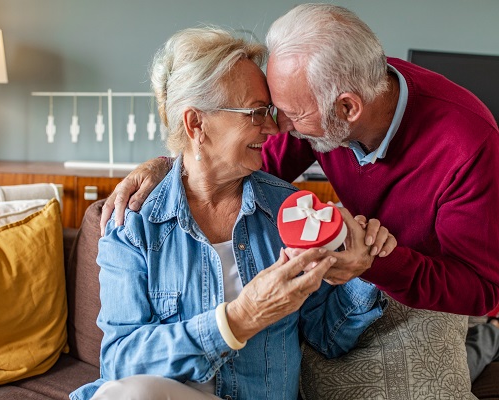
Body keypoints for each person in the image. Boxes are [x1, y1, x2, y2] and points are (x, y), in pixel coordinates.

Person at [101, 3, 499, 316]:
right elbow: (238, 161)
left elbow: (484, 290)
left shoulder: (470, 148)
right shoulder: (326, 93)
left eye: (288, 114)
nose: (278, 127)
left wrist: (375, 264)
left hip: (426, 294)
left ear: (347, 108)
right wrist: (171, 165)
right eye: (270, 110)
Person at [70, 27, 394, 400]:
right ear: (196, 124)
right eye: (256, 113)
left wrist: (362, 271)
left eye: (269, 111)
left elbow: (329, 336)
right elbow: (121, 362)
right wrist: (238, 319)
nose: (273, 128)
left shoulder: (288, 212)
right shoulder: (135, 222)